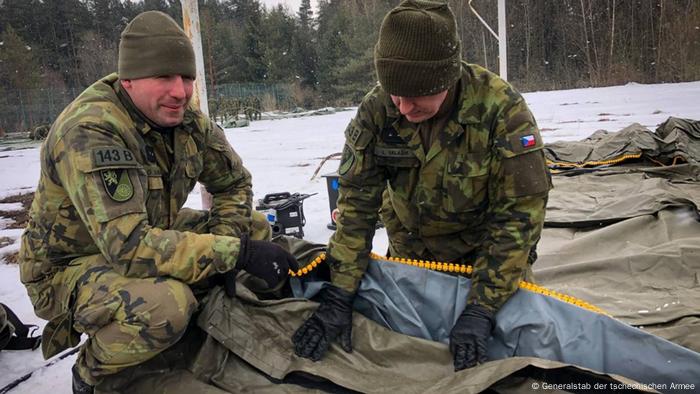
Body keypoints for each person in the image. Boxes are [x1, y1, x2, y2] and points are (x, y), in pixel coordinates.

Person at [18, 11, 298, 393]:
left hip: (145, 232)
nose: (180, 91)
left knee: (254, 226)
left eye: (186, 78)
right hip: (69, 266)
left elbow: (233, 182)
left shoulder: (184, 120)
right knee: (166, 306)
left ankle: (204, 315)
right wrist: (234, 254)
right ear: (129, 80)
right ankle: (91, 373)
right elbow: (130, 248)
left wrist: (230, 238)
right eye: (164, 77)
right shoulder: (92, 130)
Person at [292, 0, 550, 371]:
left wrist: (483, 306)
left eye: (415, 95)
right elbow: (356, 208)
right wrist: (340, 293)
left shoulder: (502, 112)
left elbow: (519, 221)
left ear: (447, 78)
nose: (402, 107)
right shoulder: (378, 110)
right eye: (394, 92)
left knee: (508, 364)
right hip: (412, 268)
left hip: (490, 268)